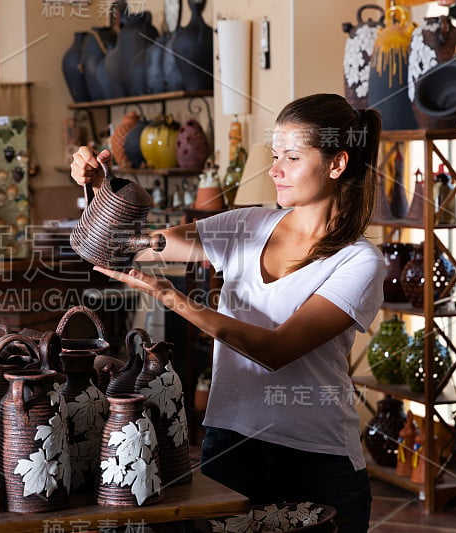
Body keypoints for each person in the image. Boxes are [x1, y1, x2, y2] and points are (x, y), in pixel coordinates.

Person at [70, 93, 384, 533]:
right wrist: (101, 188)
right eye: (275, 155)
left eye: (292, 157)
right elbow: (134, 242)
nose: (275, 169)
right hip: (231, 444)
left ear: (337, 164)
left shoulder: (359, 261)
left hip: (317, 459)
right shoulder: (249, 224)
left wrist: (173, 298)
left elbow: (275, 349)